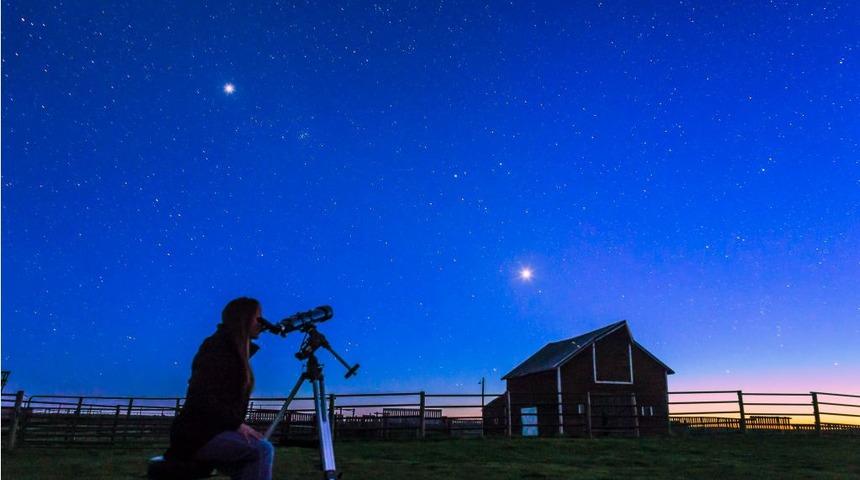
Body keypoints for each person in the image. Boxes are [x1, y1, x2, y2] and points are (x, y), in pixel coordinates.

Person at [165, 297, 275, 480]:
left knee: (253, 456)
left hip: (212, 430)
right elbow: (202, 396)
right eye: (258, 317)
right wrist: (236, 425)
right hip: (196, 435)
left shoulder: (233, 350)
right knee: (262, 449)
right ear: (243, 318)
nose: (262, 322)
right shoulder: (217, 348)